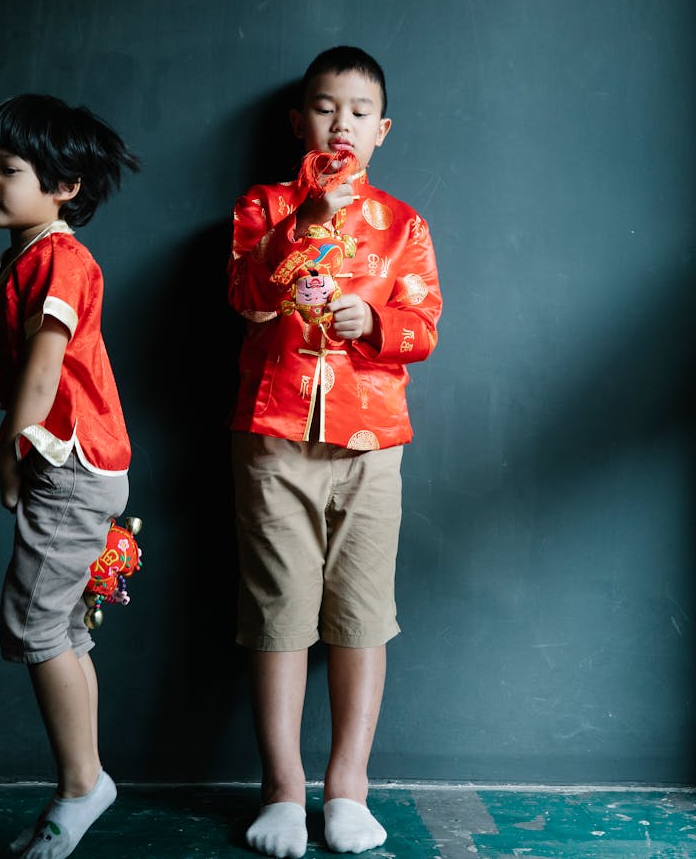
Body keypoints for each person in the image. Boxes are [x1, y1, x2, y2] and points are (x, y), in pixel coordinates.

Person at [228, 46, 442, 857]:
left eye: (357, 111)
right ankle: (282, 788)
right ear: (300, 123)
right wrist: (302, 227)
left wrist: (377, 325)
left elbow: (424, 326)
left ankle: (347, 785)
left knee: (361, 616)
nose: (340, 122)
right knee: (276, 613)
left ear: (380, 129)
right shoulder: (263, 206)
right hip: (273, 437)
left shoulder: (403, 223)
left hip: (371, 443)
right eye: (324, 107)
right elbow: (245, 297)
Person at [0, 94, 140, 859]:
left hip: (71, 462)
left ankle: (82, 785)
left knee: (33, 625)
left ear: (64, 183)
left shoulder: (62, 260)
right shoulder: (29, 254)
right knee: (63, 628)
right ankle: (84, 780)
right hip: (68, 462)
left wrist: (8, 450)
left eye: (9, 169)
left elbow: (43, 371)